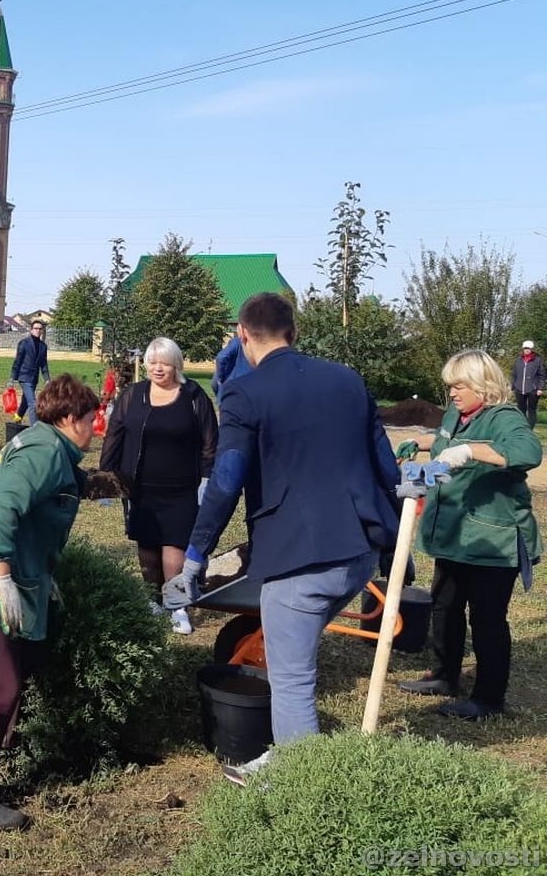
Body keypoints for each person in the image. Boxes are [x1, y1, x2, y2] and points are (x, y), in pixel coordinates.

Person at [165, 293, 400, 785]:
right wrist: (396, 539)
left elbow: (227, 480)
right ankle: (288, 759)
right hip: (359, 552)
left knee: (292, 677)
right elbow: (384, 463)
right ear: (294, 333)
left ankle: (300, 783)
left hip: (300, 560)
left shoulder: (244, 393)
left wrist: (195, 555)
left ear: (243, 335)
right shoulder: (347, 380)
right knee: (297, 656)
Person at [0, 375, 98, 831]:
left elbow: (38, 519)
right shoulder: (46, 451)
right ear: (69, 419)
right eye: (90, 419)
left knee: (15, 665)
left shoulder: (47, 445)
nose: (95, 427)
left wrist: (41, 577)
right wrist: (3, 579)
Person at [395, 350, 541, 720]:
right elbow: (447, 444)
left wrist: (472, 451)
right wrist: (423, 444)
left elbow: (528, 452)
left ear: (482, 385)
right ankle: (445, 676)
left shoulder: (504, 418)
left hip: (493, 540)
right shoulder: (456, 416)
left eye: (459, 386)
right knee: (444, 606)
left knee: (487, 619)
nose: (453, 394)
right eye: (450, 387)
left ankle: (489, 699)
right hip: (456, 535)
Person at [99, 336, 218, 635]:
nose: (158, 368)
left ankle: (177, 606)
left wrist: (207, 477)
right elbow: (115, 435)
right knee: (147, 546)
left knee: (174, 549)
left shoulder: (193, 396)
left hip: (181, 488)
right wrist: (105, 478)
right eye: (153, 362)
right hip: (140, 486)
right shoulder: (133, 394)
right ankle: (152, 601)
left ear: (176, 364)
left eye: (164, 363)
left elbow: (209, 440)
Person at [9, 320, 50, 424]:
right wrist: (12, 378)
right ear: (31, 330)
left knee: (25, 402)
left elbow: (44, 364)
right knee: (33, 403)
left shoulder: (43, 346)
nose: (38, 330)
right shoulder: (24, 343)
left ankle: (17, 420)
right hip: (24, 377)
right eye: (36, 328)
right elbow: (17, 361)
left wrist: (47, 379)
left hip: (34, 378)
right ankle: (35, 429)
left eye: (40, 329)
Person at [511, 340, 544, 428]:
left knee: (531, 410)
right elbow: (514, 374)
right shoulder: (518, 360)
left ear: (531, 349)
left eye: (528, 348)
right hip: (519, 388)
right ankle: (522, 427)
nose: (527, 350)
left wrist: (540, 388)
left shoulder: (537, 360)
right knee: (521, 409)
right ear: (523, 349)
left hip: (533, 389)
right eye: (525, 348)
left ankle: (530, 429)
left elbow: (542, 375)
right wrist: (513, 386)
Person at [211, 326, 251, 398]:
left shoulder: (237, 342)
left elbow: (221, 357)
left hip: (232, 387)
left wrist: (219, 378)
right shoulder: (262, 346)